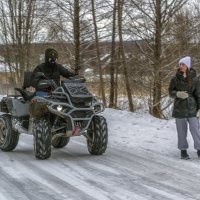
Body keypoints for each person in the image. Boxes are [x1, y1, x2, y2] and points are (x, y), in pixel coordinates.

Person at [168, 56, 200, 159]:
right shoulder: (175, 78)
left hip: (192, 108)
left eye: (183, 64)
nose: (180, 66)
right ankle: (183, 151)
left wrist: (199, 109)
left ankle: (199, 149)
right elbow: (170, 92)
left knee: (195, 130)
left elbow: (198, 94)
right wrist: (177, 94)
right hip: (179, 109)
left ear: (188, 65)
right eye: (180, 64)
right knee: (181, 131)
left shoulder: (195, 79)